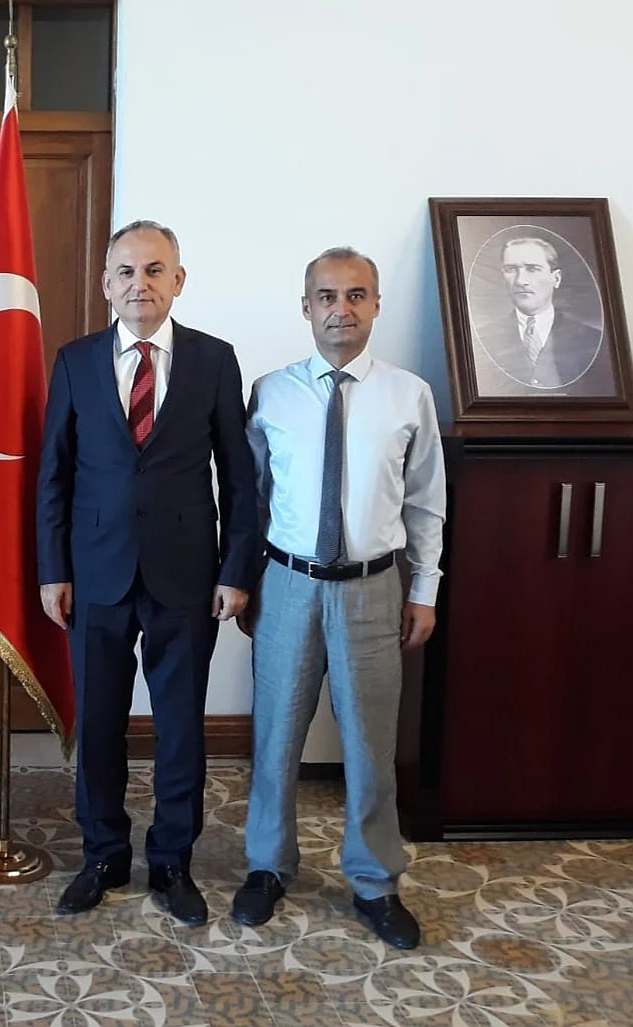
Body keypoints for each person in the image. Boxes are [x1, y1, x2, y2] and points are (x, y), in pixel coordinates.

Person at [36, 220, 259, 927]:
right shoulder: (74, 361)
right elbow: (53, 474)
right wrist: (52, 569)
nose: (140, 284)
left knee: (180, 728)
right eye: (126, 272)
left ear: (178, 280)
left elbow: (240, 478)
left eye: (154, 270)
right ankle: (102, 855)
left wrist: (236, 569)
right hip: (94, 575)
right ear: (106, 284)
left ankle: (171, 861)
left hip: (186, 577)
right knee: (98, 725)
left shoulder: (214, 360)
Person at [232, 247, 446, 950]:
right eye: (326, 296)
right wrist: (245, 581)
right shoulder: (270, 393)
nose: (340, 309)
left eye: (356, 295)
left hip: (372, 590)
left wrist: (424, 589)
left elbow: (426, 502)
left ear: (376, 305)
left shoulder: (408, 394)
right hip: (286, 584)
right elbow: (249, 499)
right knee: (274, 737)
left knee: (370, 745)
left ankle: (375, 880)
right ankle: (267, 865)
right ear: (306, 307)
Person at [472, 235, 613, 397]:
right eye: (510, 269)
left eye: (532, 269)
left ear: (556, 278)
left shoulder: (591, 339)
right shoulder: (482, 340)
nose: (520, 281)